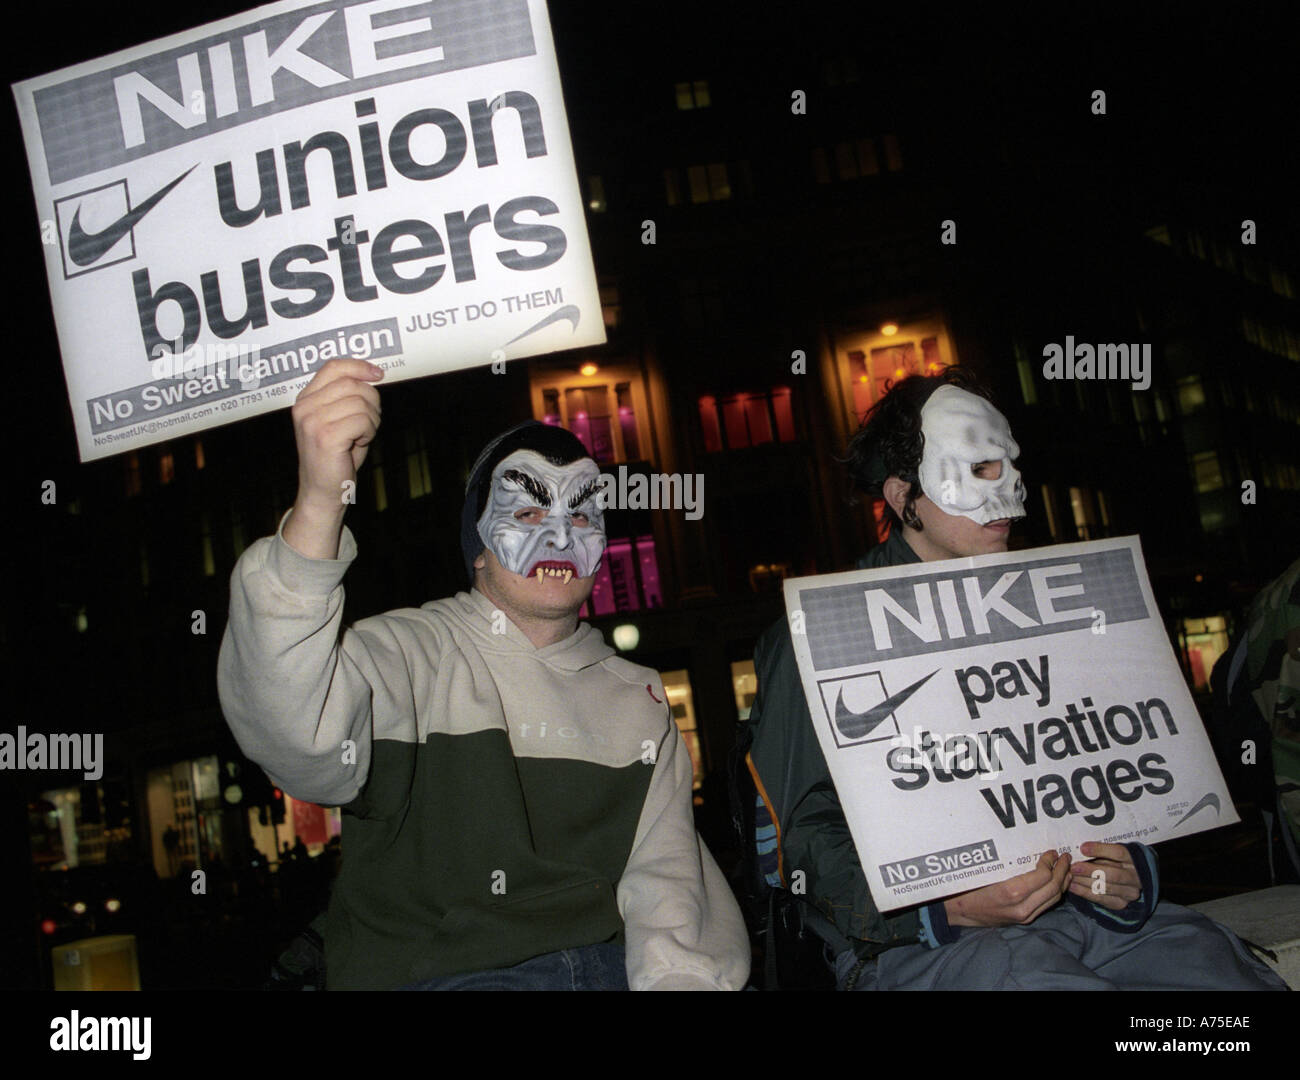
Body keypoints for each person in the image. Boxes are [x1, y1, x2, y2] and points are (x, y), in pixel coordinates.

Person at [747, 366, 1287, 990]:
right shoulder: (822, 633)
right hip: (918, 948)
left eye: (1009, 465)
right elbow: (789, 845)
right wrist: (944, 908)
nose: (1007, 490)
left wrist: (1130, 871)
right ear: (903, 497)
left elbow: (1105, 766)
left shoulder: (1054, 606)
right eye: (978, 470)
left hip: (1092, 921)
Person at [218, 358, 749, 990]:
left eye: (581, 515)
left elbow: (668, 889)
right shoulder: (406, 654)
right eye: (526, 514)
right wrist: (319, 500)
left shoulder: (639, 699)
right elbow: (294, 740)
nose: (559, 534)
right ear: (478, 544)